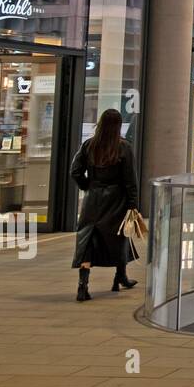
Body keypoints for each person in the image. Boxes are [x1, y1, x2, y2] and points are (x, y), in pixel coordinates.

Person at [70, 109, 139, 301]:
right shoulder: (124, 147)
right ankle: (120, 276)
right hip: (116, 199)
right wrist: (133, 203)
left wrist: (87, 186)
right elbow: (130, 179)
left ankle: (83, 284)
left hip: (93, 199)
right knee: (119, 237)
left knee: (88, 240)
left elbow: (75, 171)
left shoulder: (89, 146)